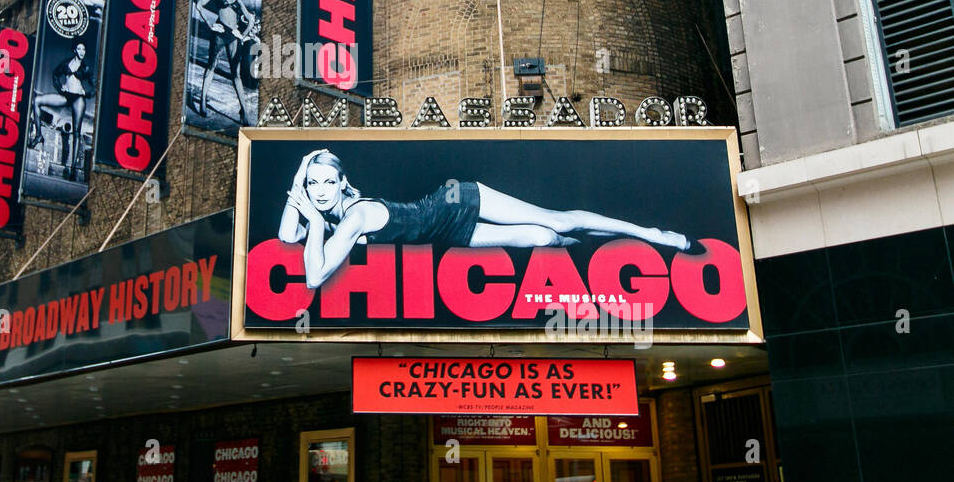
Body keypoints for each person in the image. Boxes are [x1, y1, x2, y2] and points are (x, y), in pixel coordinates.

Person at [278, 149, 692, 289]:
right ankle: (603, 244)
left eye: (327, 182)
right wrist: (298, 184)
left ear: (341, 182)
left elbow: (314, 277)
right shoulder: (331, 215)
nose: (320, 191)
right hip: (446, 234)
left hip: (453, 202)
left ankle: (653, 234)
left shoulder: (353, 216)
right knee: (544, 239)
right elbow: (286, 235)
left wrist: (311, 215)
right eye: (313, 184)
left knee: (560, 222)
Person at [190, 0, 260, 126]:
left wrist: (242, 35)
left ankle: (244, 112)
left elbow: (250, 19)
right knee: (211, 67)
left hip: (233, 37)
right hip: (220, 33)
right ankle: (202, 102)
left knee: (235, 74)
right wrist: (211, 25)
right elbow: (199, 5)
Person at [28, 40, 94, 181]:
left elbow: (95, 86)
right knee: (37, 101)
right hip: (66, 96)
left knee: (76, 132)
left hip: (78, 99)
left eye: (84, 49)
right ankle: (38, 135)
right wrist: (60, 88)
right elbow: (55, 75)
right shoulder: (66, 64)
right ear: (75, 50)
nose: (82, 52)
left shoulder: (86, 68)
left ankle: (73, 169)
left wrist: (86, 93)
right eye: (79, 49)